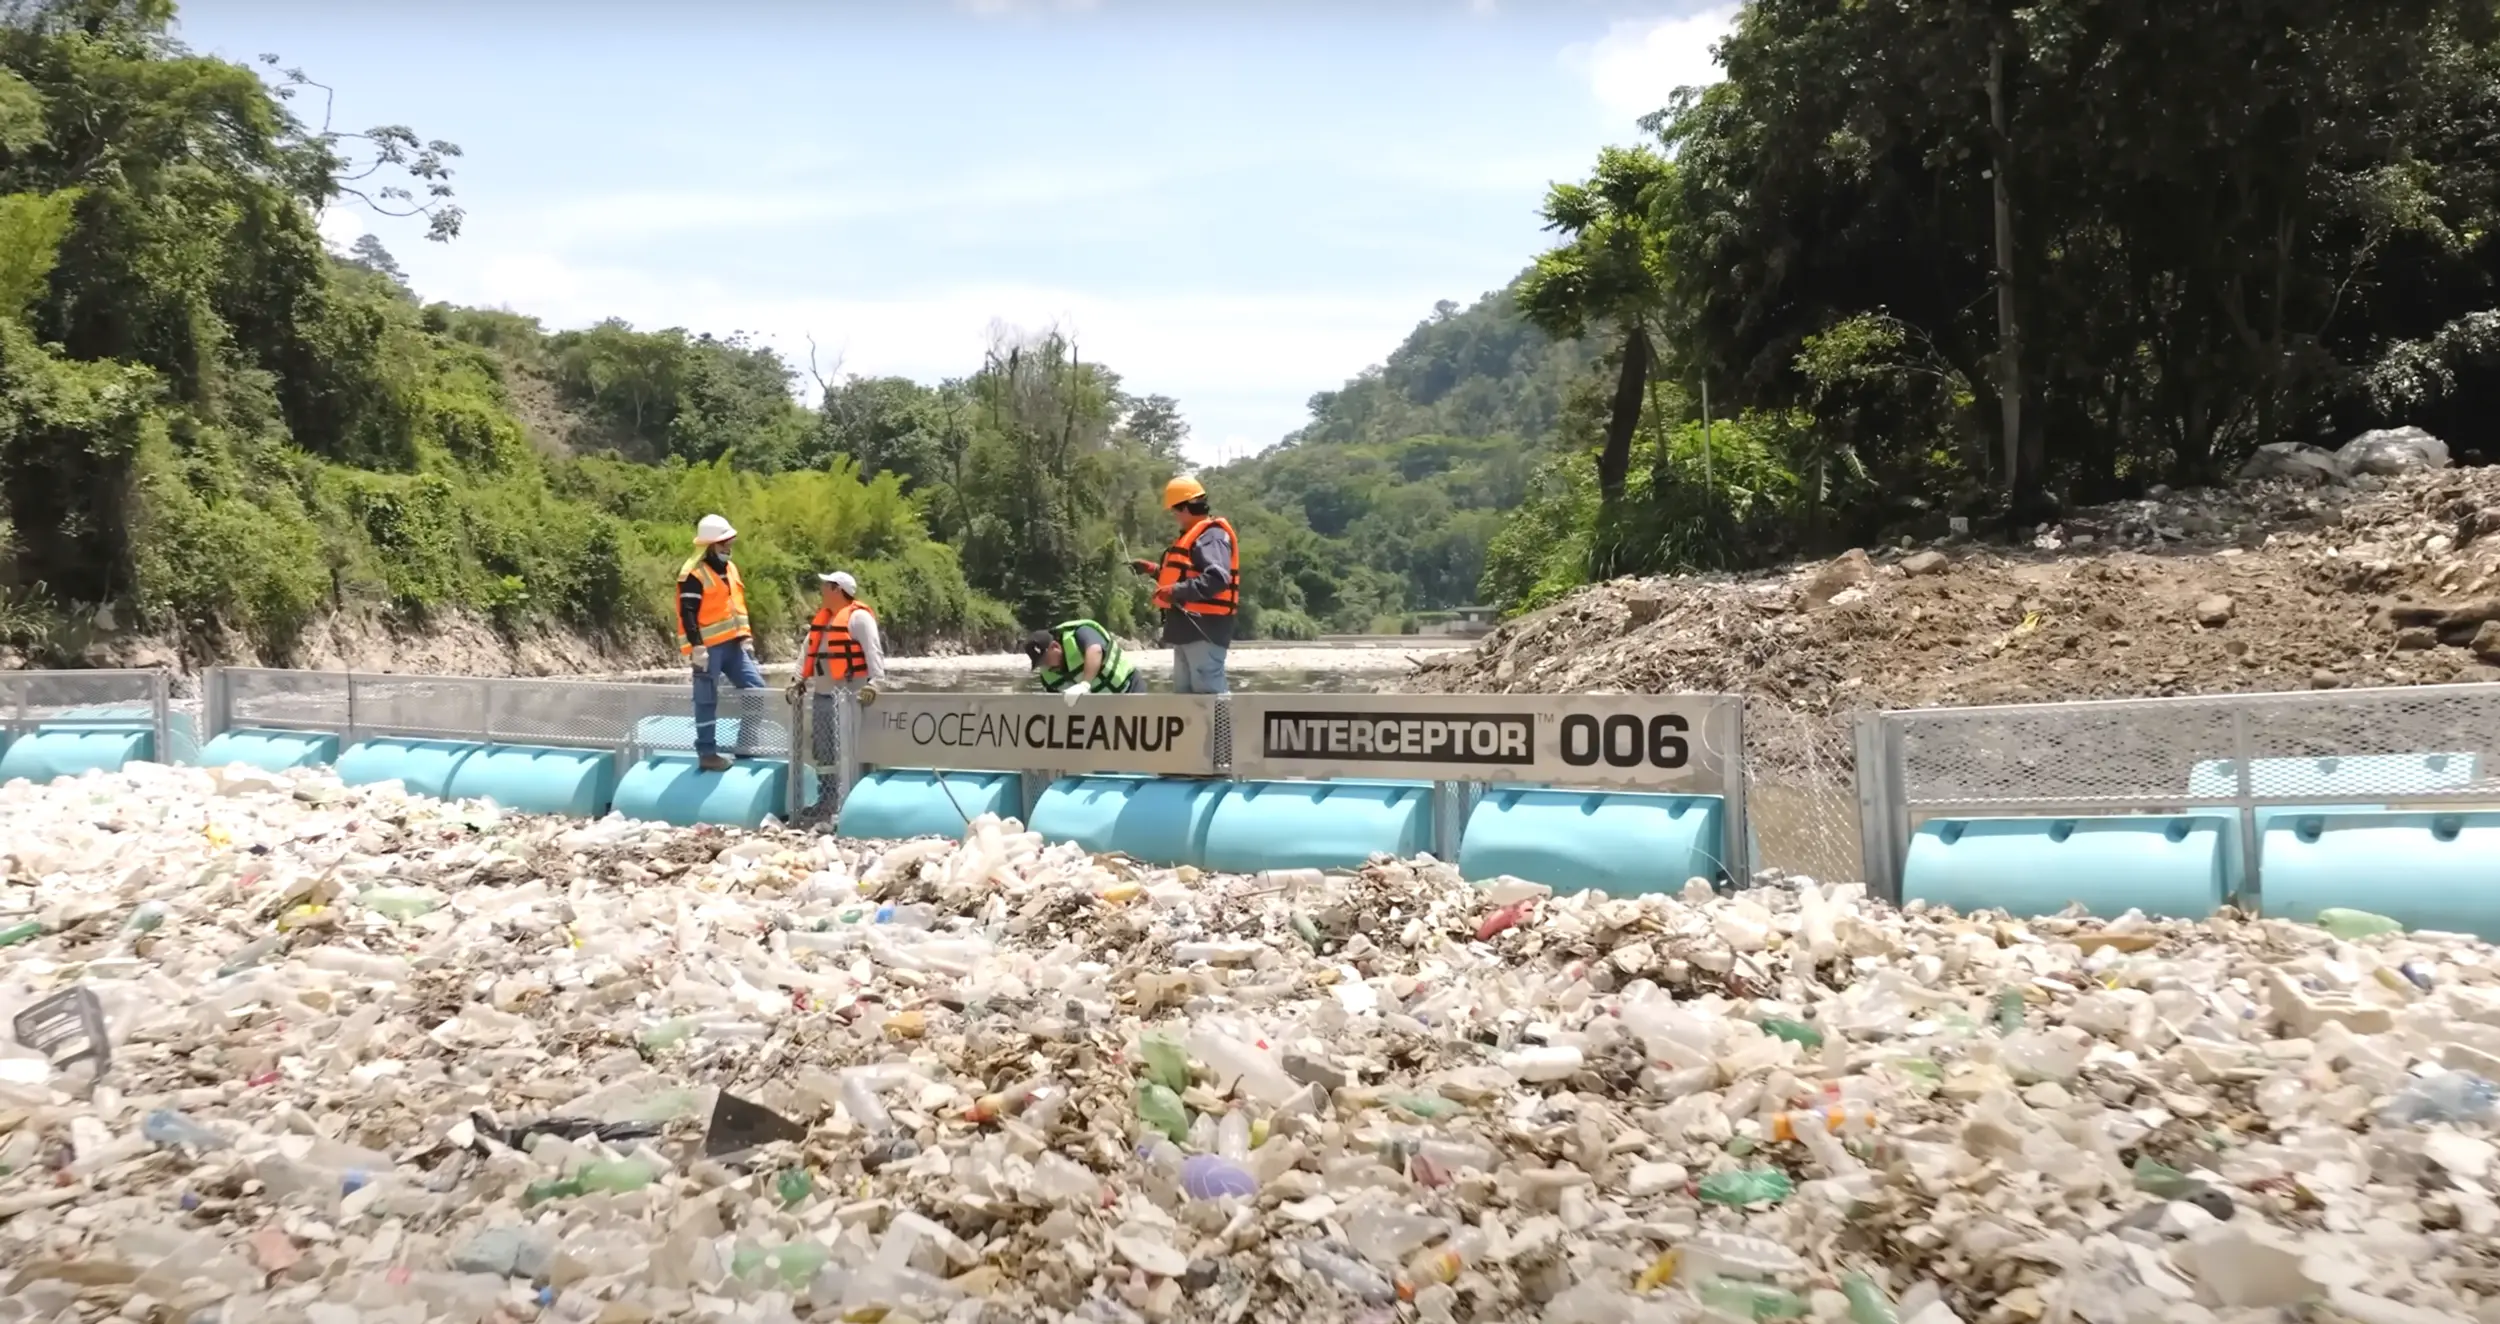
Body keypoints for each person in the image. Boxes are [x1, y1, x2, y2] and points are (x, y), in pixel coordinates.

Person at [1129, 476, 1236, 694]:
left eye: (1175, 510)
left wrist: (1176, 590)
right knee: (1185, 700)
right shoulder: (1194, 535)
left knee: (1210, 697)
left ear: (1185, 508)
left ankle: (1224, 720)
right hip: (1186, 631)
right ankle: (1205, 721)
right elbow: (1183, 575)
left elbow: (1217, 578)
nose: (1174, 516)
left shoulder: (1211, 536)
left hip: (1205, 630)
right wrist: (1152, 570)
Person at [678, 513, 765, 772]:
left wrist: (745, 637)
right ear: (710, 545)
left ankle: (745, 746)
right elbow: (688, 612)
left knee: (755, 689)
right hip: (708, 649)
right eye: (724, 543)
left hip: (733, 645)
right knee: (706, 699)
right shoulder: (694, 574)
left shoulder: (731, 569)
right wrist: (697, 646)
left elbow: (736, 605)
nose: (729, 547)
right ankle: (707, 753)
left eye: (730, 542)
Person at [791, 570, 885, 766]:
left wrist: (875, 683)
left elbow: (873, 650)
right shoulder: (823, 619)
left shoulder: (859, 618)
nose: (822, 589)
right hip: (822, 697)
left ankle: (855, 783)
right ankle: (827, 786)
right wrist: (796, 680)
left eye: (826, 586)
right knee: (823, 752)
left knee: (850, 750)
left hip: (850, 697)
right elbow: (806, 651)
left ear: (837, 589)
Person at [1022, 619, 1140, 703]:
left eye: (1046, 659)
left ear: (1055, 647)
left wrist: (1084, 684)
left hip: (1130, 688)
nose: (1046, 665)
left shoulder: (1081, 632)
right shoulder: (1048, 677)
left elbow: (1095, 650)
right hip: (1102, 707)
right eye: (1041, 663)